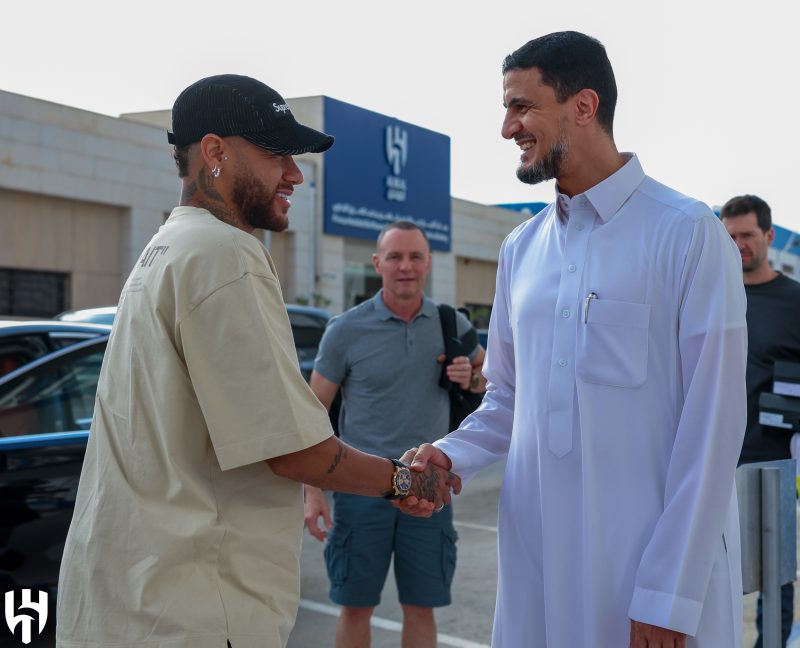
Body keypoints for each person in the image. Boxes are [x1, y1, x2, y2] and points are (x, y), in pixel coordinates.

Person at [55, 75, 459, 648]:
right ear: (215, 152)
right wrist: (403, 479)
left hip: (132, 598)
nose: (294, 174)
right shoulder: (227, 255)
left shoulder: (165, 249)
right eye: (276, 155)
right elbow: (294, 450)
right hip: (194, 607)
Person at [401, 31, 748, 648]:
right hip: (537, 568)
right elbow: (509, 398)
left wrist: (669, 593)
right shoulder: (520, 249)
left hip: (647, 579)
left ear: (584, 106)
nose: (508, 128)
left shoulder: (688, 234)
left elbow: (713, 427)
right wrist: (451, 452)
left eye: (522, 106)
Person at [303, 219, 485, 648]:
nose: (406, 266)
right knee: (355, 605)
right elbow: (312, 413)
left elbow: (488, 383)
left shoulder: (451, 324)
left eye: (415, 256)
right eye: (395, 256)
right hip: (358, 490)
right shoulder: (346, 329)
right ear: (377, 263)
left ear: (428, 263)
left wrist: (470, 377)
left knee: (422, 607)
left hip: (428, 487)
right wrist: (312, 491)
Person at [721, 194, 800, 648]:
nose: (738, 245)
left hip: (774, 459)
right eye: (729, 236)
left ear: (768, 236)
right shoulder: (709, 295)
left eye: (747, 235)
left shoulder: (794, 301)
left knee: (775, 574)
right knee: (716, 572)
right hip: (710, 457)